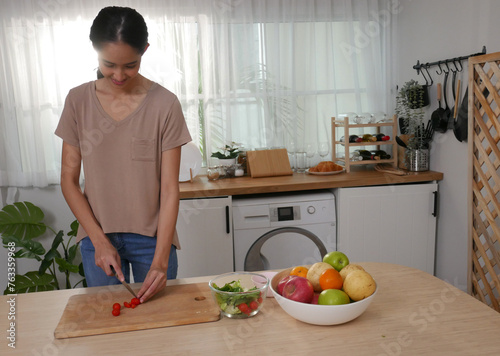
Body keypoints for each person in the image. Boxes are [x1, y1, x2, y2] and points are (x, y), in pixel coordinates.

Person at [55, 6, 191, 303]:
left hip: (152, 243)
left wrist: (160, 260)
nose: (119, 75)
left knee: (159, 332)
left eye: (130, 65)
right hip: (96, 239)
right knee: (106, 331)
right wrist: (99, 241)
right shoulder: (78, 101)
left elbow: (170, 190)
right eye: (108, 64)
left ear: (145, 50)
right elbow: (68, 180)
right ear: (95, 51)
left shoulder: (165, 104)